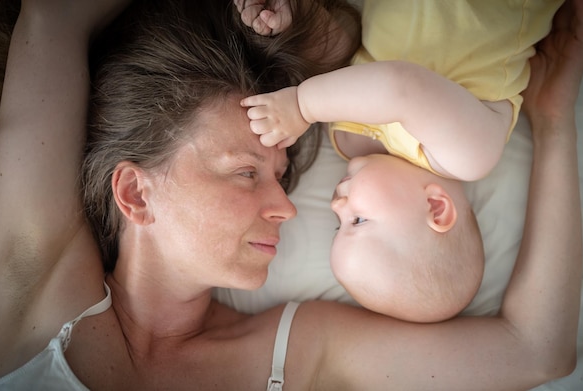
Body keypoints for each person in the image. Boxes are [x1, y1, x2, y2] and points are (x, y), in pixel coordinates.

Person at [0, 0, 583, 389]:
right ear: (136, 193)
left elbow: (533, 351)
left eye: (278, 175)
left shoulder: (300, 347)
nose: (291, 208)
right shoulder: (40, 287)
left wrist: (555, 125)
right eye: (247, 172)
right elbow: (53, 16)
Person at [238, 0, 564, 322]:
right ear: (436, 207)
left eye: (339, 224)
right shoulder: (467, 155)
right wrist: (301, 107)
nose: (337, 206)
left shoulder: (350, 142)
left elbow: (348, 47)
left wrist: (300, 23)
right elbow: (401, 86)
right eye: (358, 221)